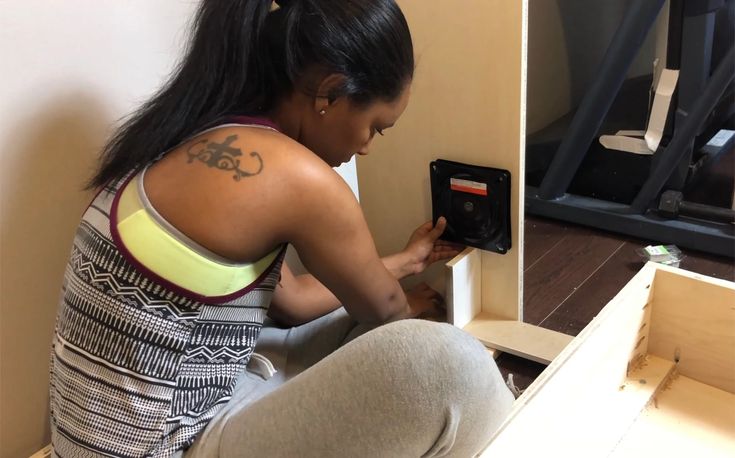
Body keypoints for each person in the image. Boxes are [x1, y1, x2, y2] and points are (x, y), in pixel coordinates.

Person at [48, 0, 514, 456]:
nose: (368, 147)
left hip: (122, 426)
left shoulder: (186, 136)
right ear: (329, 93)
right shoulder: (301, 179)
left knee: (352, 326)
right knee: (450, 368)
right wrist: (405, 303)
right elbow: (388, 313)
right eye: (376, 127)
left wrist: (402, 263)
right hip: (169, 442)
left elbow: (290, 304)